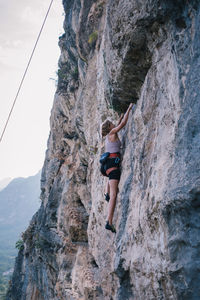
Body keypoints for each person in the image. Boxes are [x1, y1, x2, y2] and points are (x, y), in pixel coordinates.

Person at [101, 103, 133, 233]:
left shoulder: (108, 137)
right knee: (115, 195)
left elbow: (118, 123)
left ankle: (106, 193)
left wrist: (120, 116)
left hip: (106, 166)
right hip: (113, 166)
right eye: (112, 124)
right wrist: (129, 108)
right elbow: (123, 124)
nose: (114, 124)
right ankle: (109, 221)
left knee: (110, 184)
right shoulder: (113, 132)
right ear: (110, 127)